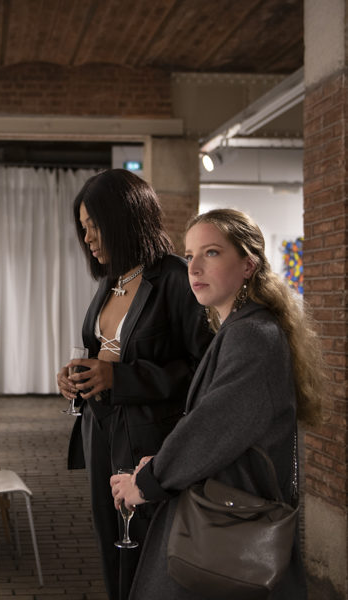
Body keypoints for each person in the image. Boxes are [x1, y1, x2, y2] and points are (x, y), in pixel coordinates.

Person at [110, 208, 324, 600]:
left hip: (229, 525)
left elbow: (212, 427)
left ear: (248, 265)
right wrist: (161, 463)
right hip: (222, 513)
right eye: (190, 255)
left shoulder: (253, 335)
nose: (193, 268)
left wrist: (147, 481)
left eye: (211, 253)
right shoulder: (241, 328)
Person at [56, 169, 212, 600]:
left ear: (126, 219)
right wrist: (76, 375)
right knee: (111, 542)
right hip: (100, 429)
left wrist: (120, 377)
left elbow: (204, 369)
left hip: (149, 437)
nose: (87, 238)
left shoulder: (176, 279)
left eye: (95, 225)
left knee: (148, 547)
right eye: (83, 228)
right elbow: (101, 353)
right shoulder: (110, 281)